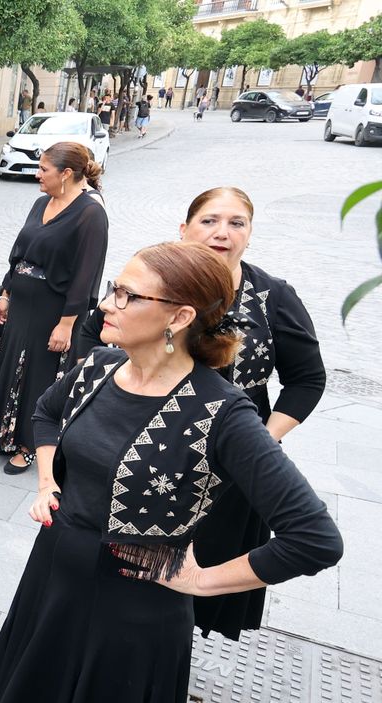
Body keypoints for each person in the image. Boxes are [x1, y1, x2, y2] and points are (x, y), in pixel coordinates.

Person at [0, 241, 342, 703]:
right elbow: (46, 414)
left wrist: (205, 581)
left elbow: (314, 537)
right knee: (39, 686)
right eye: (114, 288)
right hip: (55, 573)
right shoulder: (100, 365)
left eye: (128, 295)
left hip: (135, 605)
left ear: (179, 316)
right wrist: (47, 480)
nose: (108, 303)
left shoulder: (222, 412)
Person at [72, 187, 327, 642]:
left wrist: (262, 439)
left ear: (250, 234)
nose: (222, 233)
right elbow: (92, 335)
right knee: (133, 560)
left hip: (233, 449)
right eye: (209, 220)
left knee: (205, 556)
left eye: (236, 223)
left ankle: (176, 641)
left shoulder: (273, 295)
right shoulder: (152, 281)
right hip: (152, 445)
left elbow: (307, 379)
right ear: (184, 228)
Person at [0, 142, 108, 475]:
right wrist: (6, 295)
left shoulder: (91, 213)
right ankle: (7, 433)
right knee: (12, 367)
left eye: (43, 169)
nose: (37, 175)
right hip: (21, 305)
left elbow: (85, 274)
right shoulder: (40, 203)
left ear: (65, 174)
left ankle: (30, 444)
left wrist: (66, 324)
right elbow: (19, 254)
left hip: (54, 311)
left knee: (39, 376)